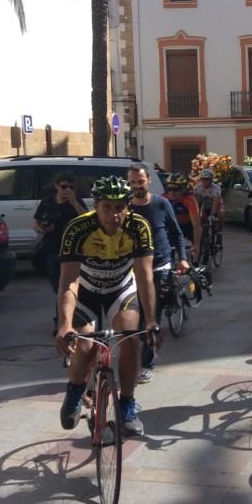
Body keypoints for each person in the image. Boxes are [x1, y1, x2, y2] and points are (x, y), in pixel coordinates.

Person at [54, 175, 157, 438]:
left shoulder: (138, 227)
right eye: (107, 207)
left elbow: (145, 276)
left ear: (128, 206)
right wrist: (64, 324)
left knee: (131, 339)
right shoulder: (78, 229)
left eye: (120, 207)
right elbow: (68, 280)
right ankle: (76, 389)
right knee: (86, 346)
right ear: (96, 206)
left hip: (121, 289)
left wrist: (151, 321)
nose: (114, 214)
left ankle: (127, 404)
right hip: (85, 290)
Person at [127, 163, 188, 384]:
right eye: (132, 182)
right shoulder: (125, 207)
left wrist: (182, 258)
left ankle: (147, 362)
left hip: (159, 268)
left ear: (149, 181)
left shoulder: (161, 204)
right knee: (134, 317)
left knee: (151, 316)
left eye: (140, 181)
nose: (136, 186)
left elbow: (177, 233)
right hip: (132, 270)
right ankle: (139, 353)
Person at [33, 173, 87, 293]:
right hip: (52, 247)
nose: (67, 190)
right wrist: (41, 229)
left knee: (71, 282)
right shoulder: (47, 202)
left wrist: (74, 203)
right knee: (56, 284)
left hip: (72, 248)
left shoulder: (76, 201)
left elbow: (87, 218)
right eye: (64, 186)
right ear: (56, 186)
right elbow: (36, 221)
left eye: (71, 187)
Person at [163, 173, 202, 265]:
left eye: (176, 189)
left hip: (188, 225)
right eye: (169, 189)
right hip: (172, 226)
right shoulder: (163, 198)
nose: (172, 192)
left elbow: (196, 225)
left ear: (183, 189)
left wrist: (196, 247)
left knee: (199, 244)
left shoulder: (189, 199)